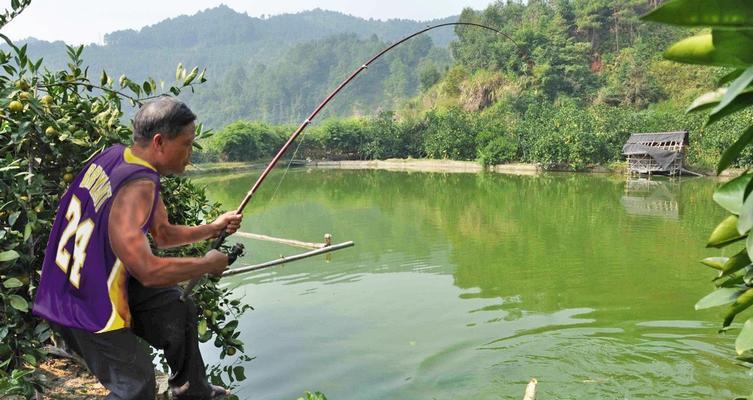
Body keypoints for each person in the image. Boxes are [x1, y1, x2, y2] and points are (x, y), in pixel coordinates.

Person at [32, 96, 242, 399]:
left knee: (177, 306)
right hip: (81, 304)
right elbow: (148, 272)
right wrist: (208, 263)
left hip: (74, 285)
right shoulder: (138, 186)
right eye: (187, 144)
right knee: (136, 385)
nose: (190, 154)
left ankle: (191, 390)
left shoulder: (119, 158)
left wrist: (213, 228)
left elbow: (164, 234)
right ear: (159, 142)